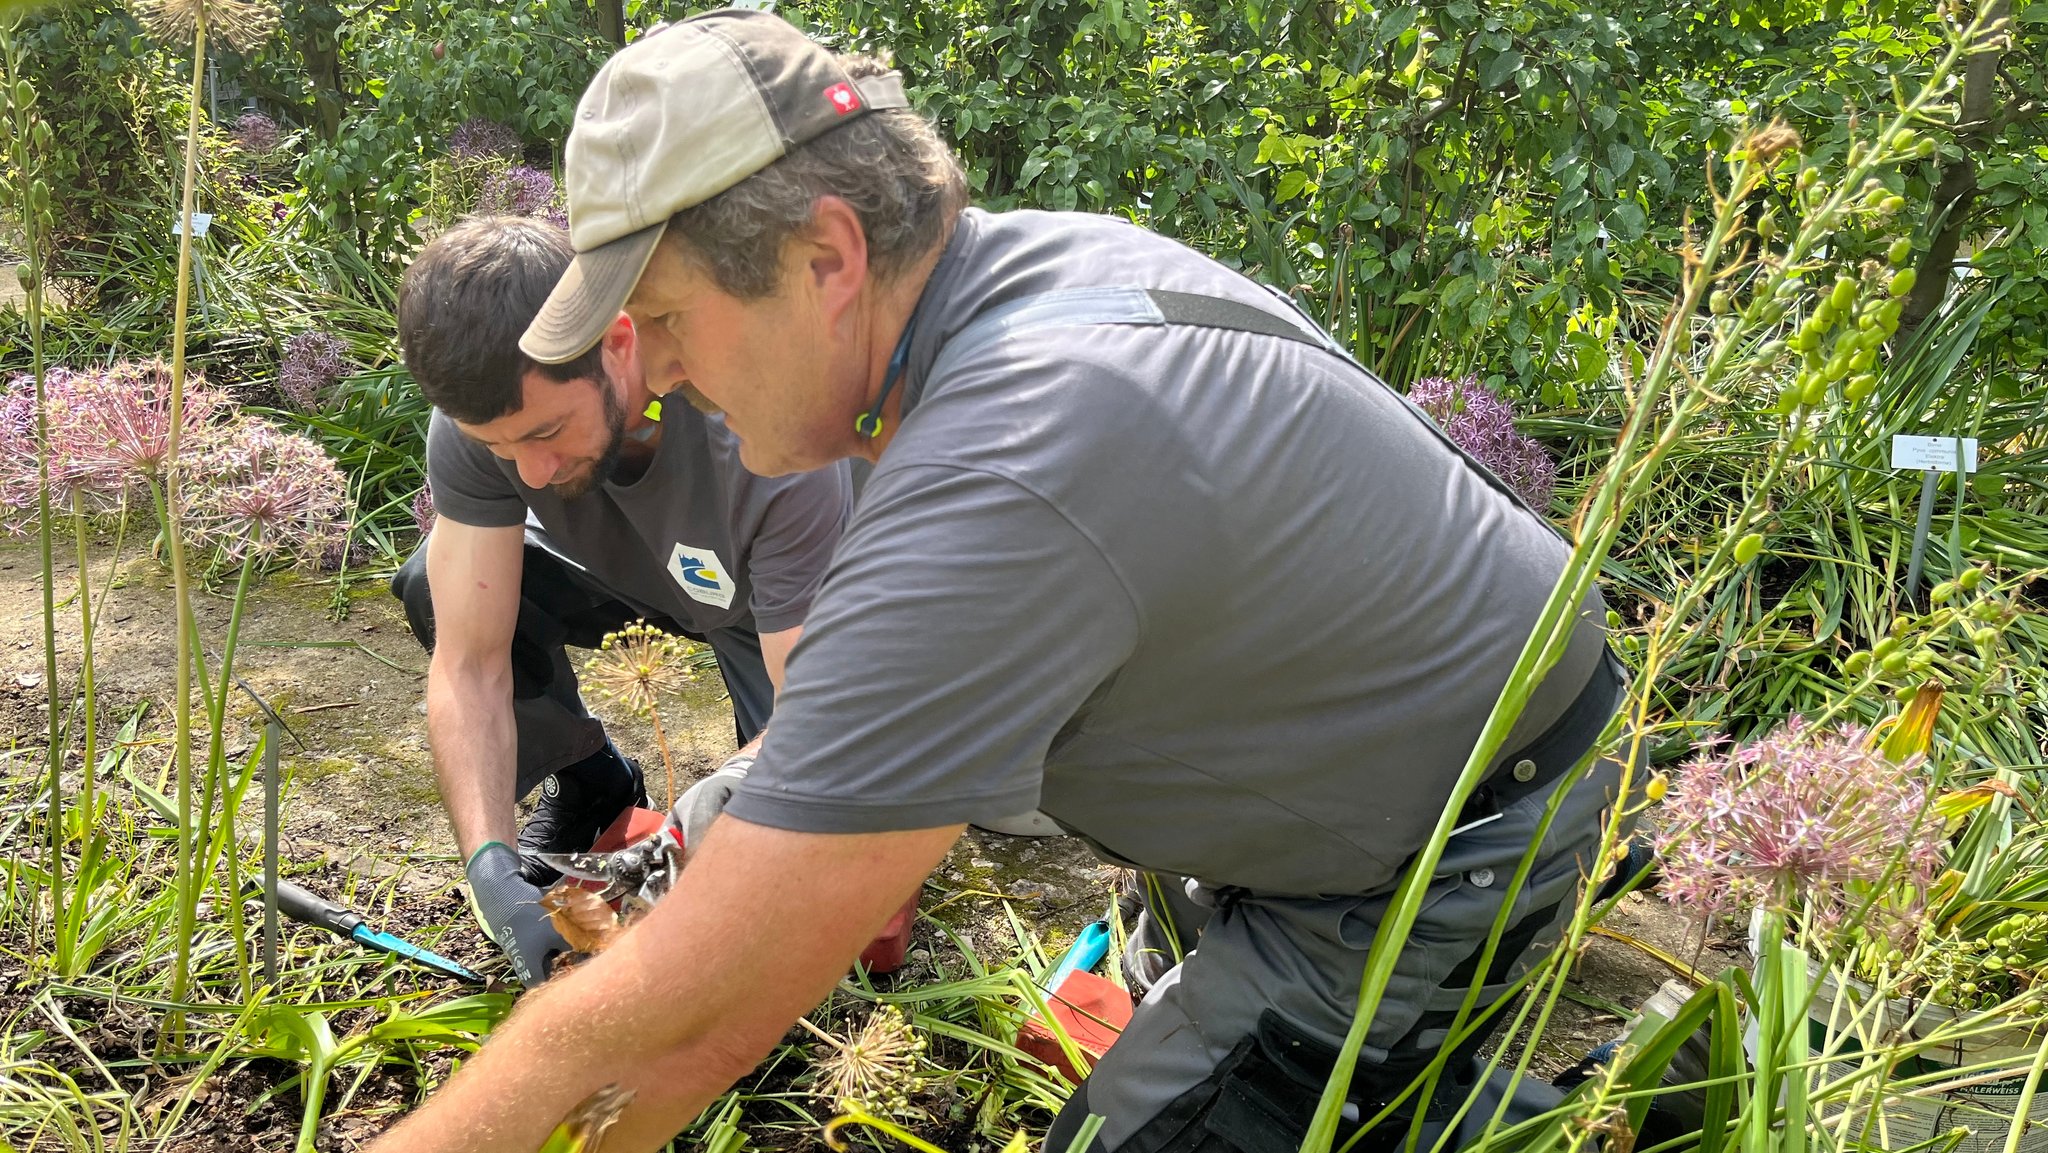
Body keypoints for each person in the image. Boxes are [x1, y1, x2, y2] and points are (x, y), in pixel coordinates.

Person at [367, 12, 1628, 1153]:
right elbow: (864, 725)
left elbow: (681, 1026)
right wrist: (692, 841)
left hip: (1425, 845)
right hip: (1312, 747)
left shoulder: (1007, 462)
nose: (667, 370)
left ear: (824, 257)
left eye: (673, 318)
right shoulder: (1002, 294)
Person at [391, 215, 852, 984]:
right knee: (431, 584)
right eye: (502, 448)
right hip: (628, 574)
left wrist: (655, 867)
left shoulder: (762, 432)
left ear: (619, 341)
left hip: (776, 609)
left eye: (546, 431)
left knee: (805, 835)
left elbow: (824, 722)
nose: (530, 474)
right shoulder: (483, 425)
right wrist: (490, 867)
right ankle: (592, 774)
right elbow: (469, 664)